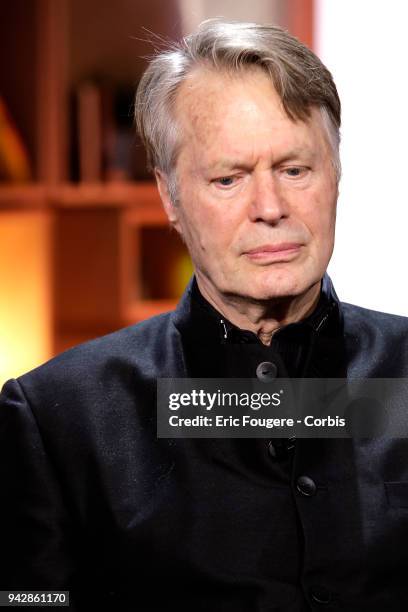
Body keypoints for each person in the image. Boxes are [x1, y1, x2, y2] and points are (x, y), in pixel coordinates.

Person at [1, 19, 408, 612]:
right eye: (229, 178)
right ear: (169, 196)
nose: (269, 208)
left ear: (336, 174)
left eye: (295, 169)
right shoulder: (57, 421)